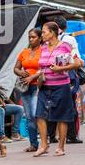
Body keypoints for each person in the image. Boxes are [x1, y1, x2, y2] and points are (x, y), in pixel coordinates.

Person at [33, 22, 80, 157]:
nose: (42, 35)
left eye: (44, 32)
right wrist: (35, 76)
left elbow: (77, 63)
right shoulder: (43, 48)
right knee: (40, 114)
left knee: (61, 117)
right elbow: (41, 66)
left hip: (61, 86)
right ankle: (43, 145)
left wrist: (61, 69)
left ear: (52, 33)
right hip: (44, 86)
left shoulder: (66, 46)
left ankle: (60, 147)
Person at [50, 16, 84, 144]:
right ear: (65, 27)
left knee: (52, 105)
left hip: (52, 74)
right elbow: (77, 59)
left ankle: (51, 136)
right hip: (68, 76)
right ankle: (71, 135)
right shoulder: (70, 39)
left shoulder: (48, 41)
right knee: (70, 106)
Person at [14, 28, 42, 152]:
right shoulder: (24, 52)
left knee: (36, 113)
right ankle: (33, 144)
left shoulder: (43, 51)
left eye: (34, 37)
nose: (31, 39)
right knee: (29, 116)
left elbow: (45, 69)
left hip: (38, 86)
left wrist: (32, 77)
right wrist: (21, 72)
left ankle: (45, 140)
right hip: (25, 87)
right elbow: (15, 68)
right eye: (30, 37)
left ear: (40, 38)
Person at [0, 59, 25, 143]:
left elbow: (1, 95)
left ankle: (15, 133)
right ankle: (1, 135)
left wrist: (8, 102)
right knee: (0, 109)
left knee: (19, 109)